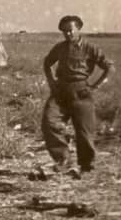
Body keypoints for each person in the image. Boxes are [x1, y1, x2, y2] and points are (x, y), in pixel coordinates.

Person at [41, 14, 114, 177]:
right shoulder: (59, 48)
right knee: (49, 121)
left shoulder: (90, 48)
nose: (68, 34)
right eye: (65, 31)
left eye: (71, 30)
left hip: (82, 92)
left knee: (84, 132)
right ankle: (63, 161)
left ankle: (86, 167)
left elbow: (109, 67)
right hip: (60, 92)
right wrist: (52, 82)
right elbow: (47, 63)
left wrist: (95, 86)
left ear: (78, 29)